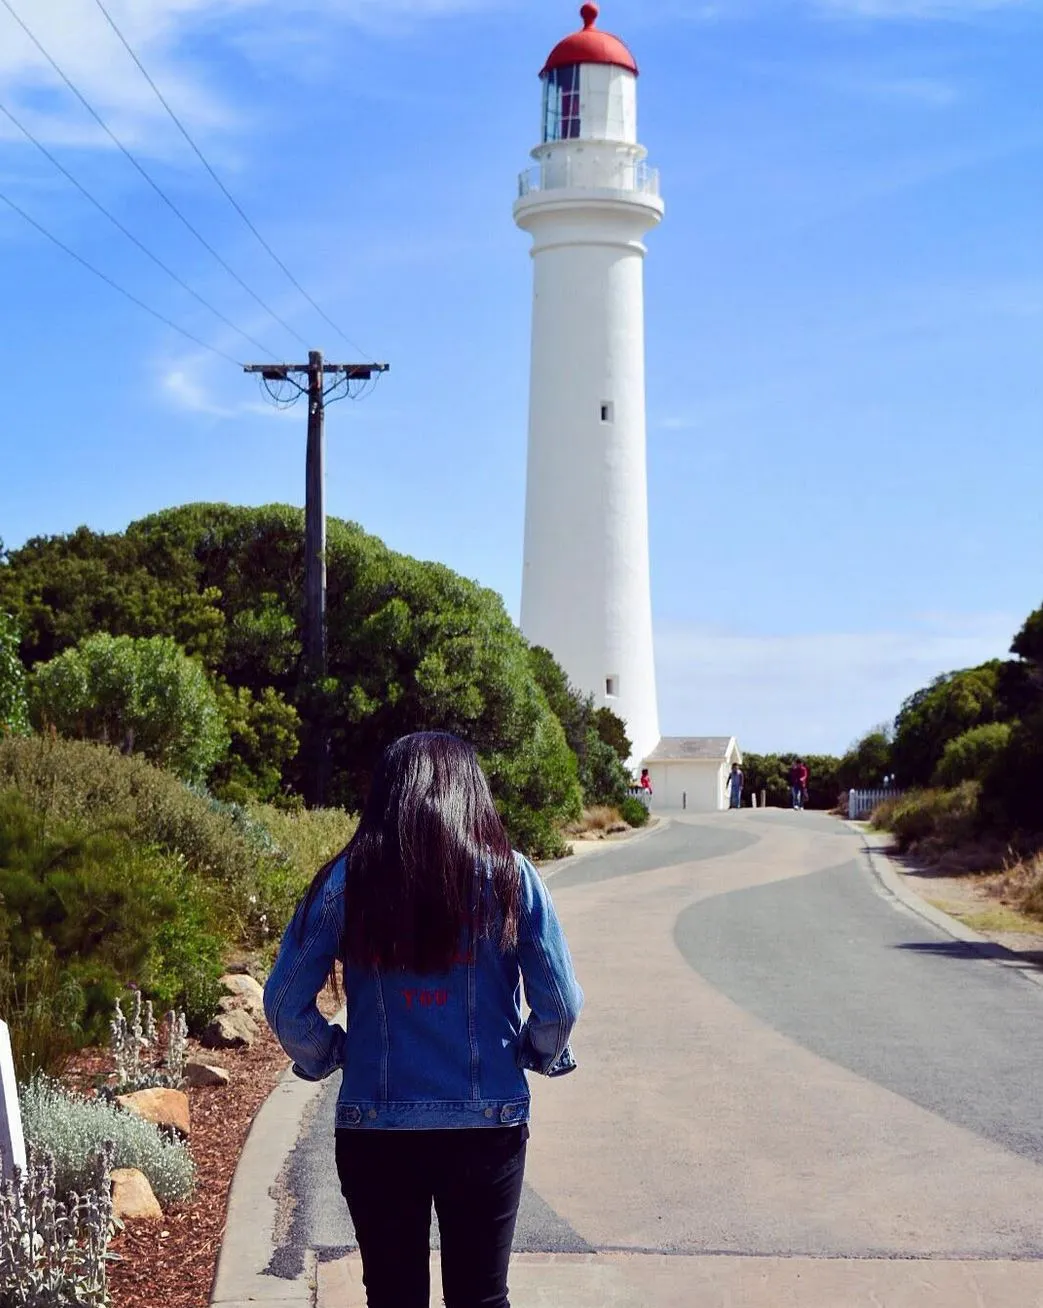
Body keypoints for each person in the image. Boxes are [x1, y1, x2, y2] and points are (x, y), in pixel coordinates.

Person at [264, 732, 583, 1308]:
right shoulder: (511, 877)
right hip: (488, 1124)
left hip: (375, 1127)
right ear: (471, 793)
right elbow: (559, 1002)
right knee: (481, 1299)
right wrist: (536, 1052)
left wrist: (331, 1052)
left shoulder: (344, 882)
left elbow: (285, 1003)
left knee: (392, 1297)